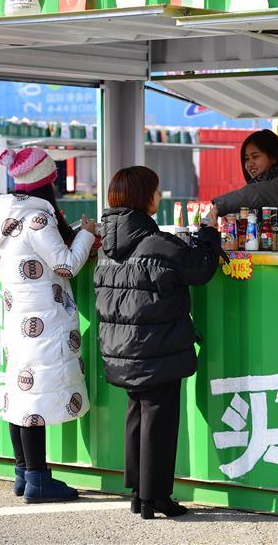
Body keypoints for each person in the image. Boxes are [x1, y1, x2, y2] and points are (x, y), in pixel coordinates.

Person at [94, 166, 223, 520]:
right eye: (156, 190)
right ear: (143, 197)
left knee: (137, 414)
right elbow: (201, 269)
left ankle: (139, 493)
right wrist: (210, 232)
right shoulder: (158, 243)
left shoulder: (107, 245)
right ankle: (156, 498)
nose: (160, 196)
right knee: (159, 421)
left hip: (121, 349)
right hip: (157, 347)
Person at [0, 147, 96, 504]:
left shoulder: (7, 217)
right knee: (33, 399)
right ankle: (37, 480)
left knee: (20, 392)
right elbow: (65, 266)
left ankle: (22, 473)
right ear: (46, 183)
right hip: (44, 321)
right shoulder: (38, 219)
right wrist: (88, 233)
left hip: (19, 318)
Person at [210, 130, 278, 251]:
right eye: (246, 159)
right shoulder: (272, 184)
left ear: (273, 157)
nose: (250, 164)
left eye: (255, 157)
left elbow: (255, 193)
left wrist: (218, 208)